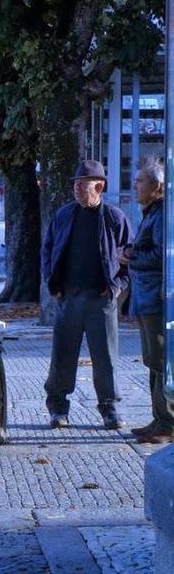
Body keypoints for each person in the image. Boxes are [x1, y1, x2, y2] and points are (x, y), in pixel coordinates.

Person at [41, 160, 132, 429]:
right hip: (68, 297)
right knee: (62, 356)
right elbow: (46, 251)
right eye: (75, 185)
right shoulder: (63, 215)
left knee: (105, 357)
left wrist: (115, 287)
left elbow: (130, 258)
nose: (77, 190)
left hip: (100, 299)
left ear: (99, 187)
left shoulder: (115, 219)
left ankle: (109, 408)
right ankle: (58, 408)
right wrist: (52, 284)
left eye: (83, 185)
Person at [119, 160, 174, 444]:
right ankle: (159, 418)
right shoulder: (152, 212)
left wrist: (132, 258)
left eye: (141, 181)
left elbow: (162, 255)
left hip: (156, 298)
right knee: (153, 360)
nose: (135, 185)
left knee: (161, 359)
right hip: (148, 297)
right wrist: (131, 250)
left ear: (158, 186)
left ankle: (168, 422)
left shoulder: (163, 213)